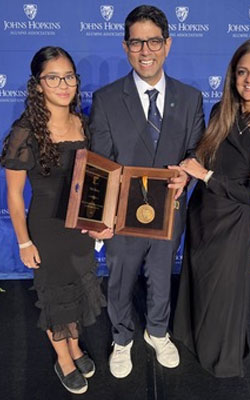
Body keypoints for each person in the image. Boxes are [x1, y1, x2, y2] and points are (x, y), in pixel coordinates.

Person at [88, 4, 205, 379]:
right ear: (125, 48)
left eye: (153, 41)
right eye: (137, 42)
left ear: (167, 45)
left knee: (160, 272)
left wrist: (186, 175)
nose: (145, 51)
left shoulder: (190, 98)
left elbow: (196, 152)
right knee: (120, 278)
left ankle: (157, 331)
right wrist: (102, 217)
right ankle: (122, 338)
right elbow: (101, 163)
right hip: (123, 215)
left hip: (170, 209)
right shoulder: (106, 99)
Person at [172, 39, 250, 378]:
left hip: (233, 222)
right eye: (242, 71)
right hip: (202, 213)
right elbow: (204, 153)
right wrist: (187, 173)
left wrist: (205, 174)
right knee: (196, 276)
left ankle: (220, 357)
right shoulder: (221, 111)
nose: (249, 79)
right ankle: (188, 335)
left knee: (221, 291)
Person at [0, 46, 113, 395]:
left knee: (77, 291)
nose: (63, 84)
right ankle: (63, 358)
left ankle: (76, 347)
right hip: (46, 231)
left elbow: (98, 179)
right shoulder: (25, 132)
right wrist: (23, 241)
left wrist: (101, 221)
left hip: (79, 229)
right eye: (53, 77)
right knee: (55, 298)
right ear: (38, 85)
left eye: (69, 76)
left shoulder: (84, 124)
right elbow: (15, 196)